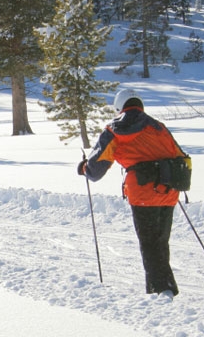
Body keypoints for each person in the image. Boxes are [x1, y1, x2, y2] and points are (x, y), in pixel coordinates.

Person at [78, 89, 187, 298]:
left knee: (149, 243)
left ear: (119, 107)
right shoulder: (158, 127)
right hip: (169, 192)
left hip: (143, 194)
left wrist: (84, 168)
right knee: (160, 241)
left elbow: (96, 168)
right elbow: (178, 155)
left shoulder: (115, 129)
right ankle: (163, 288)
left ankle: (162, 291)